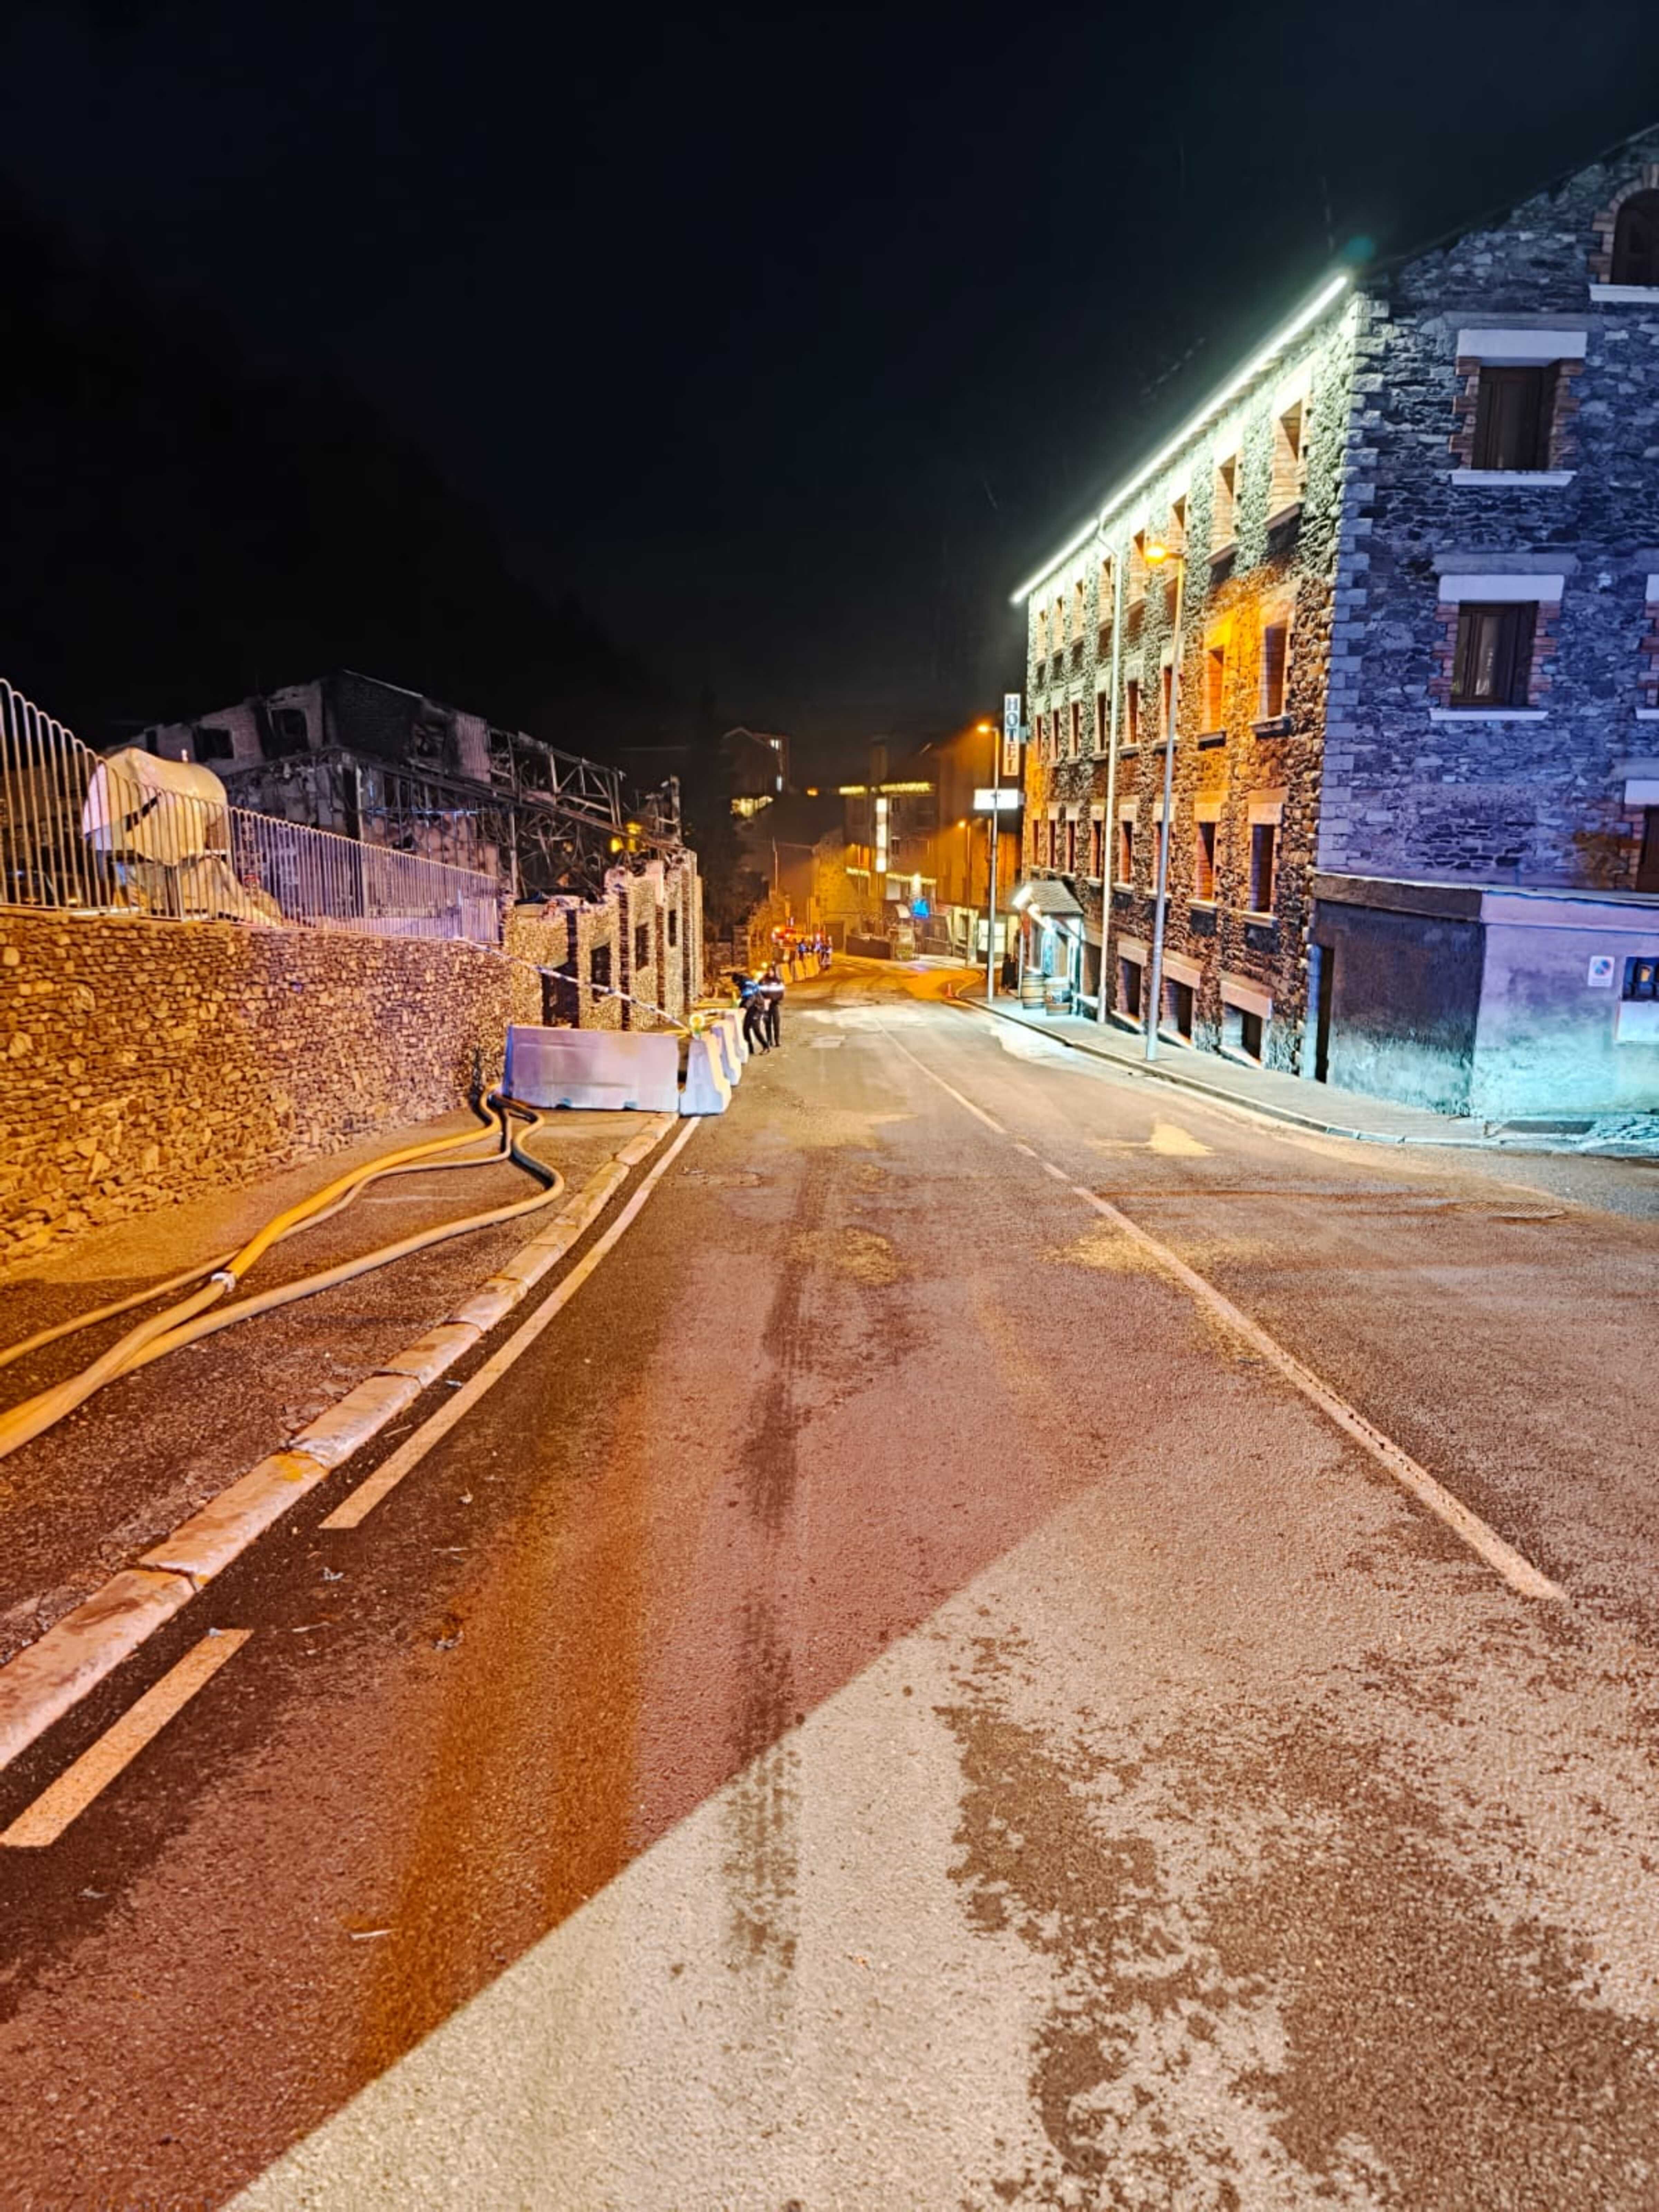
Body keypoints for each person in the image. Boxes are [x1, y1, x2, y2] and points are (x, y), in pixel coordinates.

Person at [737, 971, 769, 1053]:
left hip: (757, 1008)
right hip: (751, 1008)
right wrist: (740, 1007)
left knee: (756, 1029)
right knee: (746, 1029)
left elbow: (751, 998)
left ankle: (766, 1047)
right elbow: (745, 998)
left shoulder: (748, 985)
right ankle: (750, 1049)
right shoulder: (745, 984)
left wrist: (745, 1007)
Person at [759, 962, 785, 1049]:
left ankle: (777, 1040)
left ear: (774, 972)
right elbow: (759, 993)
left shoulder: (778, 982)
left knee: (776, 1022)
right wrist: (764, 1001)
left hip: (774, 1005)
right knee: (767, 1023)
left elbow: (781, 994)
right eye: (769, 971)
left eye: (772, 971)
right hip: (766, 1006)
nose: (770, 973)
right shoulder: (762, 981)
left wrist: (772, 1000)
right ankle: (769, 1040)